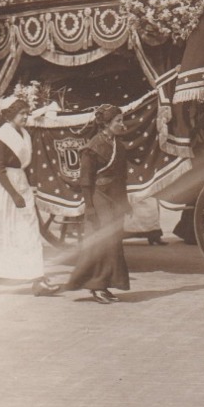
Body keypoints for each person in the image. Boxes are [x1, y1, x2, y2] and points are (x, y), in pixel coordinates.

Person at [0, 96, 61, 296]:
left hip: (20, 183)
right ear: (10, 116)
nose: (26, 117)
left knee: (28, 232)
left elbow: (27, 163)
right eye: (22, 114)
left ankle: (37, 279)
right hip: (3, 189)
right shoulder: (0, 137)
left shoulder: (24, 133)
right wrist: (14, 194)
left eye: (27, 113)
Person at [65, 104, 131, 304]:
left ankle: (106, 285)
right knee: (103, 242)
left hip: (115, 197)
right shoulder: (93, 147)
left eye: (121, 120)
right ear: (106, 124)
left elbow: (122, 176)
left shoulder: (118, 144)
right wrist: (90, 207)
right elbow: (86, 180)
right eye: (117, 121)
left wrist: (126, 202)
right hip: (99, 196)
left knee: (114, 241)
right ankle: (96, 286)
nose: (122, 124)